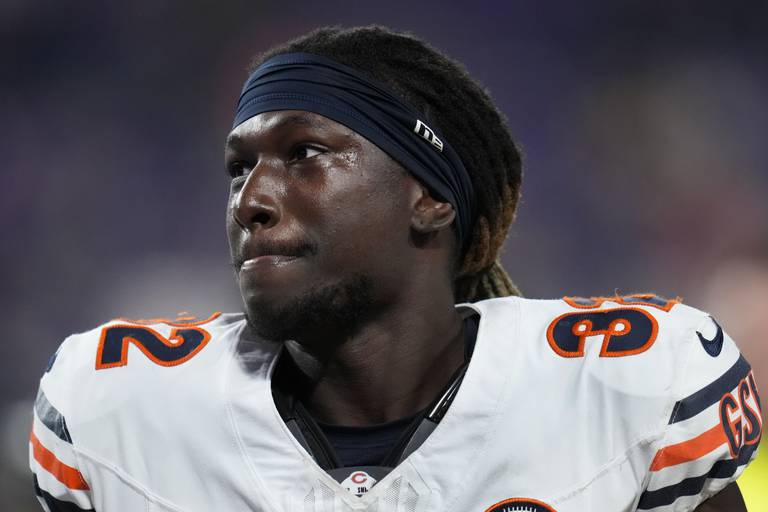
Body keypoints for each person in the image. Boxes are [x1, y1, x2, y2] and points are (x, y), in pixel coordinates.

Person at [29, 26, 761, 512]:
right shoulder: (122, 411)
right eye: (238, 168)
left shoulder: (622, 388)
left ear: (431, 198)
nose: (250, 201)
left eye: (304, 155)